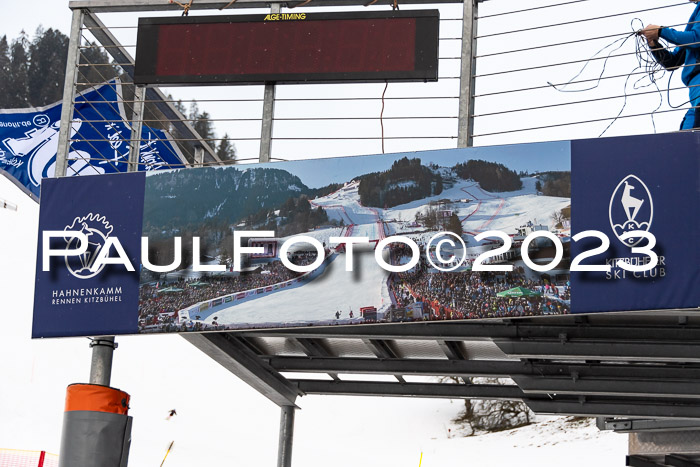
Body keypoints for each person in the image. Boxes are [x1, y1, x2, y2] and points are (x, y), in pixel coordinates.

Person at [641, 0, 700, 129]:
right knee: (687, 141)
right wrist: (653, 43)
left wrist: (661, 32)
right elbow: (672, 62)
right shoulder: (696, 17)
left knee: (692, 141)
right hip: (696, 98)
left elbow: (696, 38)